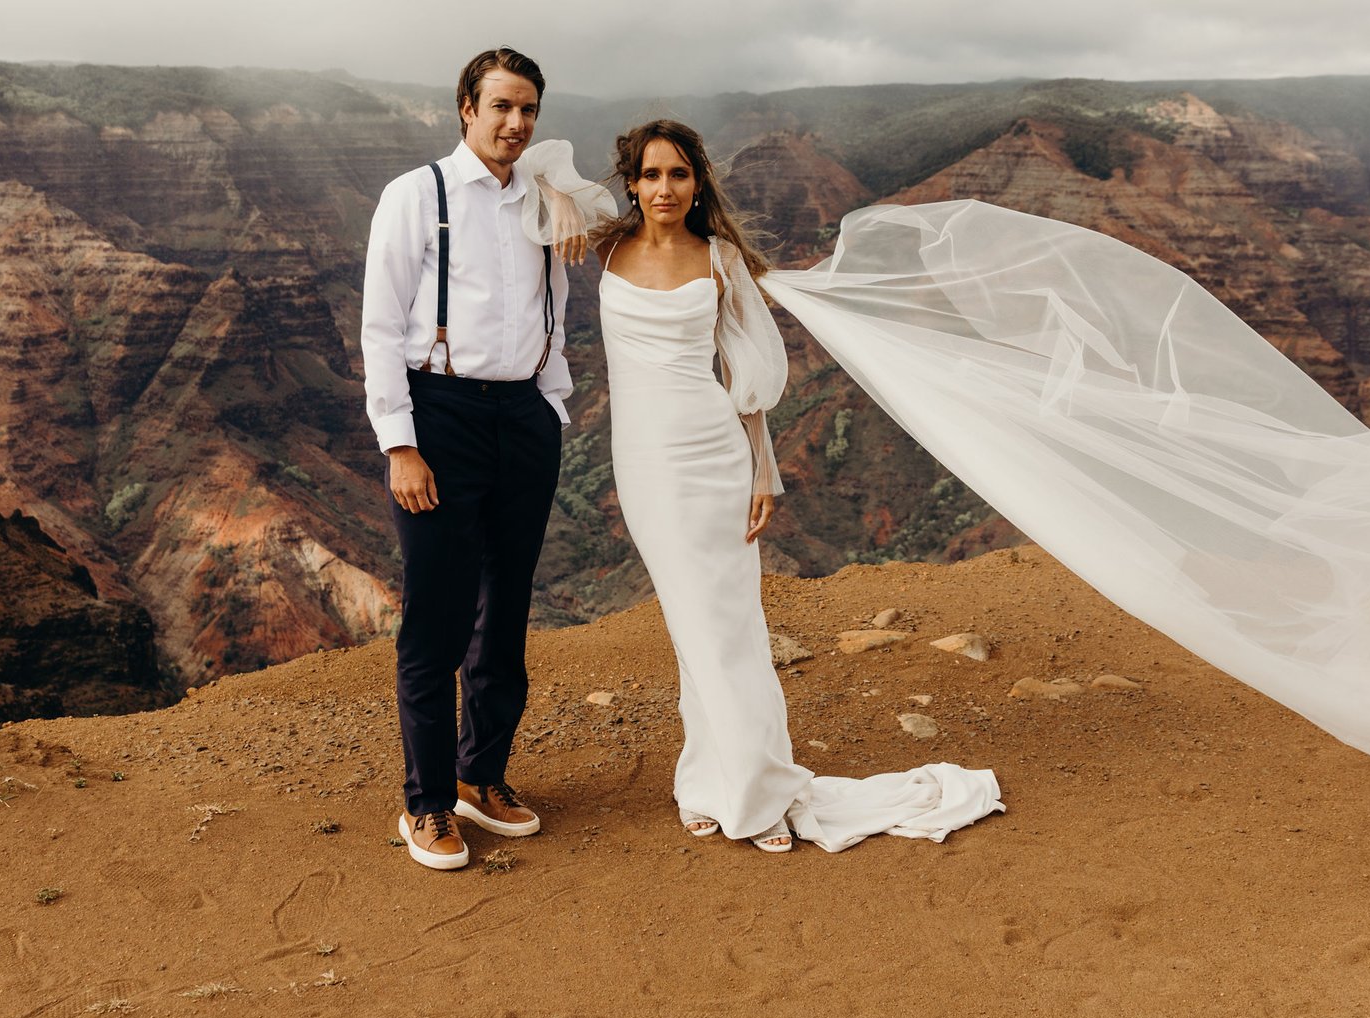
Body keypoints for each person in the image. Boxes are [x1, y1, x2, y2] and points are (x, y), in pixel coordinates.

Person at [594, 119, 1006, 853]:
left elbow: (750, 381)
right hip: (642, 463)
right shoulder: (604, 243)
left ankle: (758, 790)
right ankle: (703, 779)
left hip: (709, 451)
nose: (665, 188)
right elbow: (521, 193)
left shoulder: (719, 260)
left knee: (728, 629)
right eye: (652, 174)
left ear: (698, 183)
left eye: (679, 174)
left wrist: (762, 470)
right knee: (693, 629)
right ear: (631, 181)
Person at [359, 47, 607, 872]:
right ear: (465, 107)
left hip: (524, 416)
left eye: (529, 109)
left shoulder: (545, 199)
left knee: (505, 609)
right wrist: (401, 442)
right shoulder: (415, 195)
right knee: (436, 612)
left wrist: (552, 400)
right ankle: (426, 803)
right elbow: (380, 327)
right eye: (501, 106)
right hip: (441, 415)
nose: (516, 123)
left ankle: (481, 776)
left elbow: (557, 305)